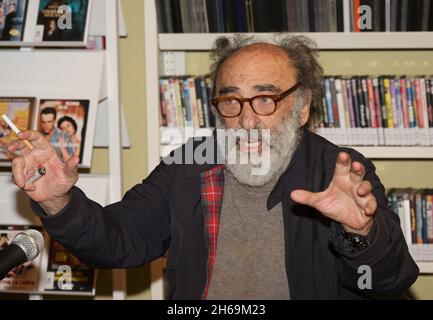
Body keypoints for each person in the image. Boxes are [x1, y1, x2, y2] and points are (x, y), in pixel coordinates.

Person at [8, 35, 418, 300]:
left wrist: (362, 234)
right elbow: (119, 241)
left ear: (303, 105)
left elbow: (388, 282)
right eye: (231, 101)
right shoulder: (189, 165)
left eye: (266, 99)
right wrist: (61, 202)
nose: (247, 119)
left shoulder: (340, 172)